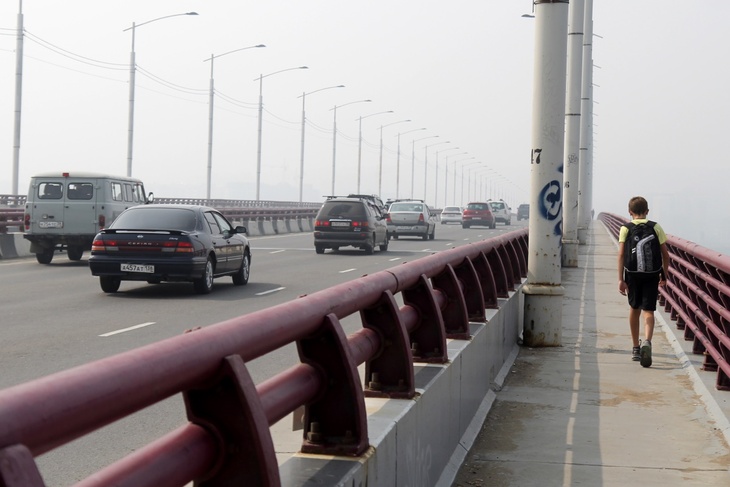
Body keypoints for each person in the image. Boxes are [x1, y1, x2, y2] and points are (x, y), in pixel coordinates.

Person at [617, 196, 670, 367]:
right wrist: (664, 275)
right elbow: (666, 255)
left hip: (632, 275)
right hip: (651, 274)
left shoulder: (625, 228)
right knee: (648, 310)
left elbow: (621, 254)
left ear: (630, 212)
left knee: (634, 309)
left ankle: (635, 347)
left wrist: (620, 279)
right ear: (647, 211)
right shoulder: (655, 227)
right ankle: (647, 341)